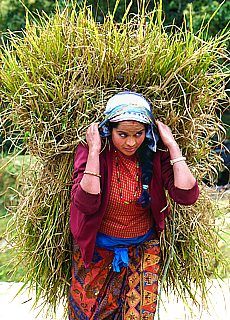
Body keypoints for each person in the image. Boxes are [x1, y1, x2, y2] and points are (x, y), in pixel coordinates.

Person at [68, 92, 199, 319]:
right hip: (97, 252)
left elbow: (187, 195)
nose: (131, 142)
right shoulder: (93, 152)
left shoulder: (154, 154)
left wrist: (172, 145)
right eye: (123, 134)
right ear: (110, 130)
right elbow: (86, 204)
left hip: (142, 251)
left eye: (138, 134)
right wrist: (93, 150)